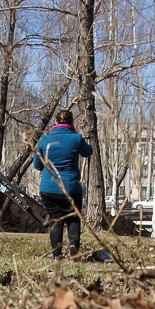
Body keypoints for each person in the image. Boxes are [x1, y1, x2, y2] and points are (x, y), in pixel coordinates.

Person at [33, 109, 93, 260]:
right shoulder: (76, 138)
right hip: (71, 187)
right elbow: (88, 152)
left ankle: (56, 255)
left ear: (55, 122)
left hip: (48, 188)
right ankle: (74, 246)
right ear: (71, 123)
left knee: (55, 219)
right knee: (73, 218)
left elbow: (37, 164)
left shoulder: (45, 139)